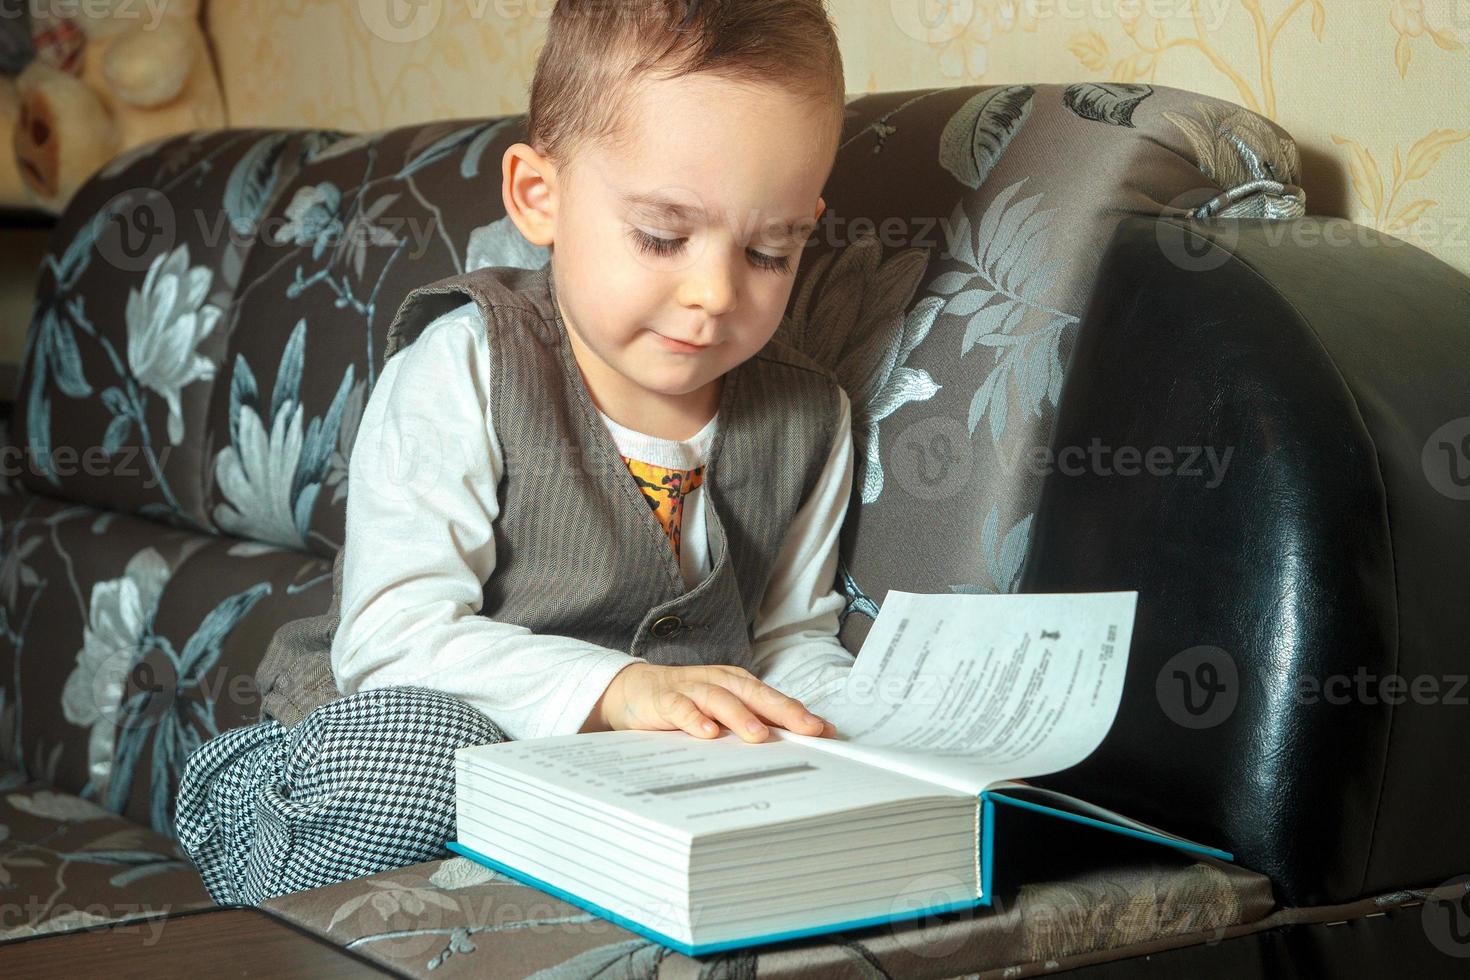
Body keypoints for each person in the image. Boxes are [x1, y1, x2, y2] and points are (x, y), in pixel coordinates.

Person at [175, 0, 855, 907]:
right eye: (661, 236)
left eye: (770, 251)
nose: (713, 292)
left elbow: (787, 643)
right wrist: (620, 687)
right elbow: (393, 641)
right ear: (541, 196)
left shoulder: (811, 415)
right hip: (392, 734)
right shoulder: (466, 365)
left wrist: (862, 724)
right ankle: (245, 821)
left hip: (608, 783)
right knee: (415, 757)